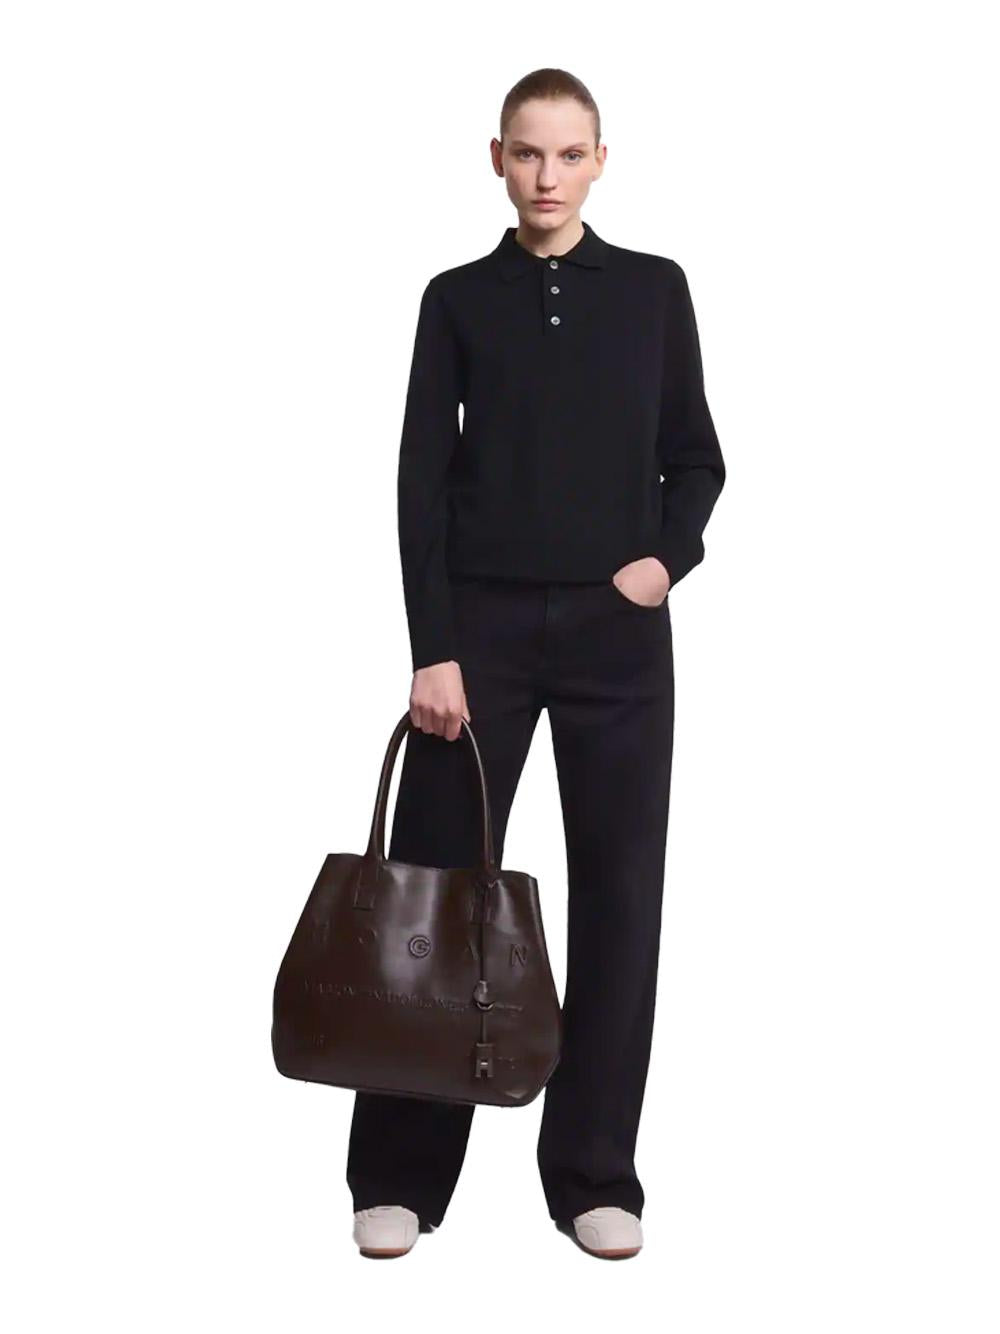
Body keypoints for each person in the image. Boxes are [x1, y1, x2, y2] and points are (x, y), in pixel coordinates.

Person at [348, 67, 726, 1260]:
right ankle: (399, 1173)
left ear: (601, 160)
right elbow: (418, 481)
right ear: (497, 159)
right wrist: (434, 648)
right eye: (527, 153)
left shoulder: (654, 291)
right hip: (482, 638)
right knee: (432, 892)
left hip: (620, 634)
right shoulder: (457, 299)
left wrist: (662, 562)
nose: (547, 175)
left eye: (568, 154)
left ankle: (594, 1174)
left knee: (620, 893)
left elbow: (695, 458)